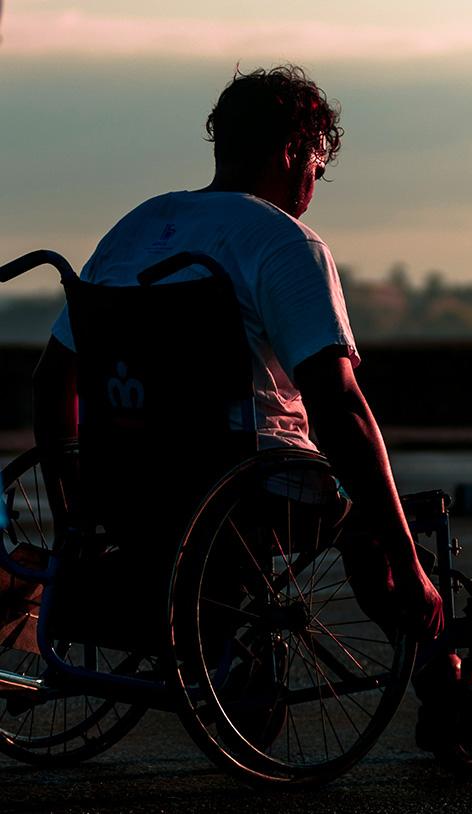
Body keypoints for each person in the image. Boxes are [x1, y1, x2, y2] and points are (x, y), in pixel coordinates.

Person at [33, 64, 443, 643]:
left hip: (127, 483)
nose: (312, 186)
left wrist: (72, 512)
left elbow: (52, 380)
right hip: (248, 484)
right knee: (370, 516)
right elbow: (338, 406)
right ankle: (442, 672)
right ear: (293, 152)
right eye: (316, 168)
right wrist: (406, 557)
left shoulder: (135, 228)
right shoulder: (283, 243)